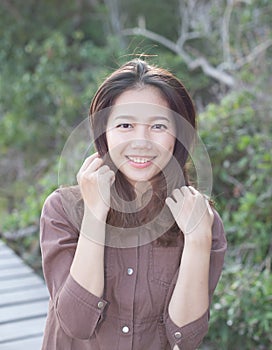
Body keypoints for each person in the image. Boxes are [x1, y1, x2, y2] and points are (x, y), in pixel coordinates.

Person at [40, 58, 227, 350]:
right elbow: (77, 322)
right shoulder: (62, 210)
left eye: (158, 126)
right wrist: (94, 214)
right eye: (125, 124)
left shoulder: (200, 218)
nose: (141, 141)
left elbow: (185, 338)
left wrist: (198, 240)